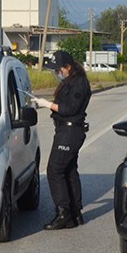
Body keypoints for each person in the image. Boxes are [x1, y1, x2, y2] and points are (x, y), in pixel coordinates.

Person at [33, 51, 92, 230]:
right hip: (65, 129)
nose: (57, 73)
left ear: (68, 67)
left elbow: (70, 108)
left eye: (59, 69)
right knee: (69, 170)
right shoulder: (70, 81)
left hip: (70, 130)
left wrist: (46, 104)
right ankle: (75, 212)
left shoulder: (79, 83)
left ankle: (63, 213)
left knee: (55, 170)